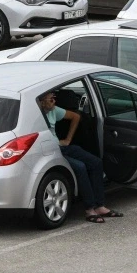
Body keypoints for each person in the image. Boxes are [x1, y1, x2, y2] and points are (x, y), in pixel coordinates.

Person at [37, 91, 122, 223]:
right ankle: (89, 209)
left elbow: (75, 117)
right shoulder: (36, 115)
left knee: (96, 163)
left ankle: (100, 205)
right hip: (50, 151)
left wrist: (67, 139)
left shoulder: (54, 110)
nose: (54, 101)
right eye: (51, 99)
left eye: (55, 98)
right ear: (41, 101)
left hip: (62, 146)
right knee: (80, 167)